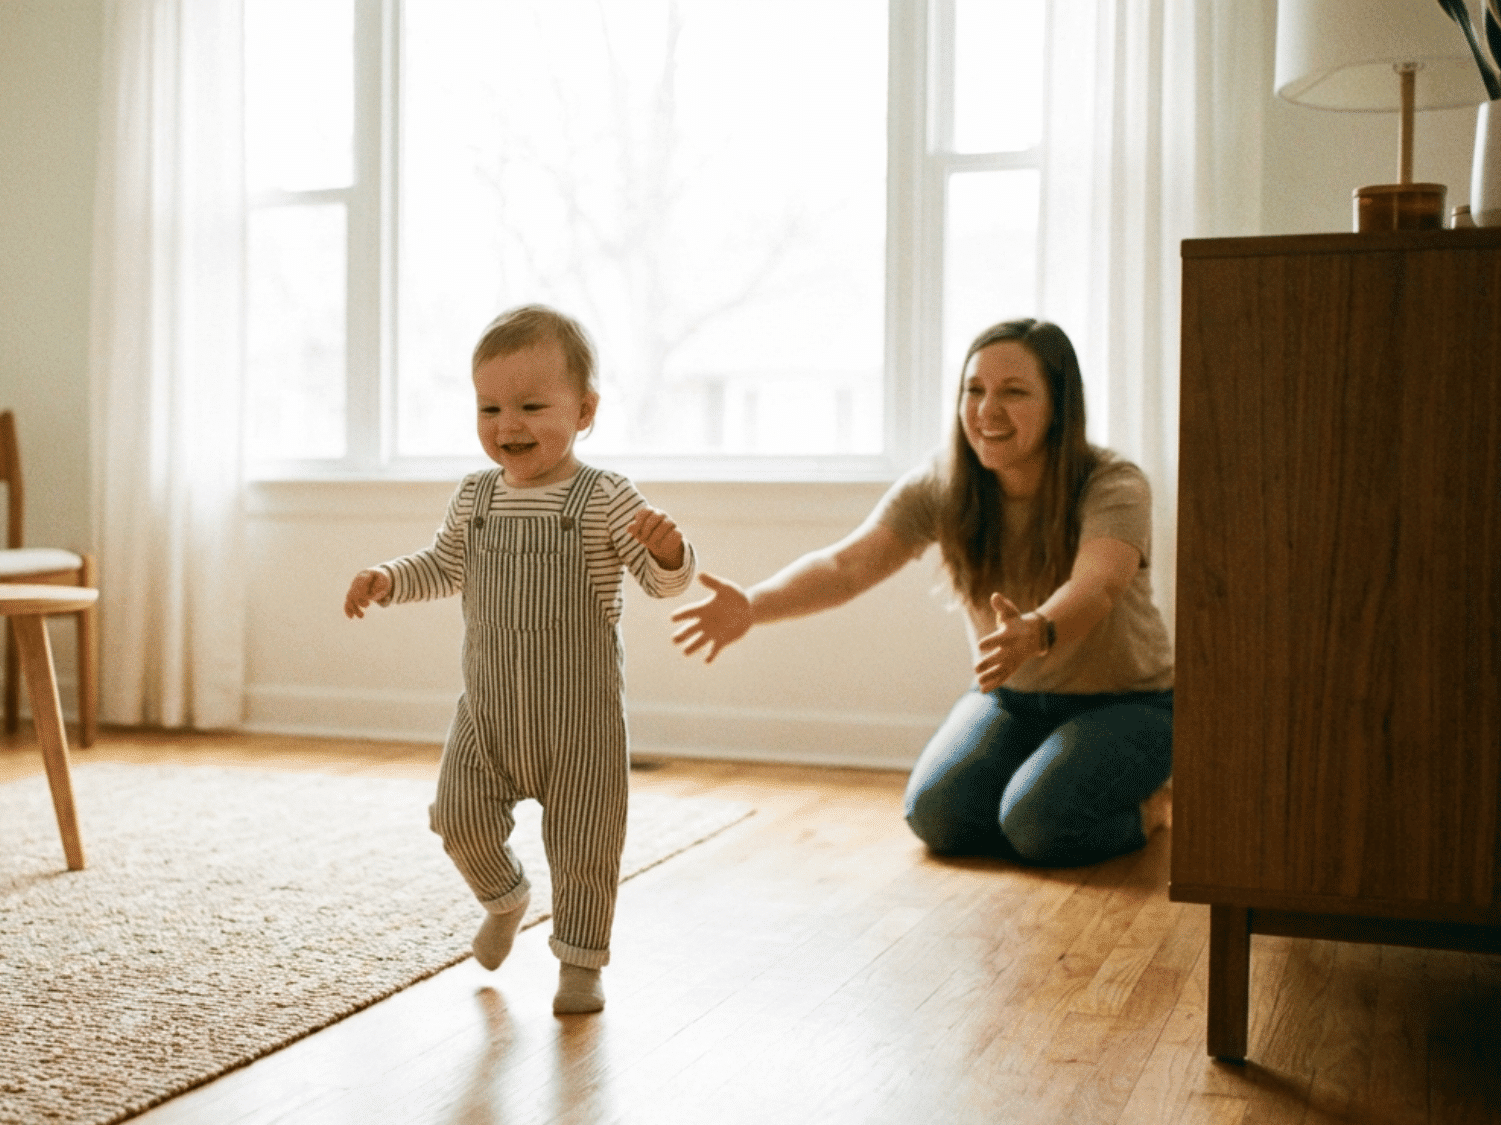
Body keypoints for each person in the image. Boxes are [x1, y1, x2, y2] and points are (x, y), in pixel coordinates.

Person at [670, 318, 1173, 867]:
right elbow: (846, 565)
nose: (987, 410)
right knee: (937, 817)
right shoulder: (945, 483)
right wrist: (752, 606)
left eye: (1015, 392)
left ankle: (1151, 805)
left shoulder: (1112, 482)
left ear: (1060, 405)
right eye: (974, 390)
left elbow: (1098, 586)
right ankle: (1042, 778)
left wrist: (1037, 631)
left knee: (1037, 826)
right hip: (1013, 700)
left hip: (1130, 705)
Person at [345, 304, 695, 1014]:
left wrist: (668, 551)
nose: (509, 424)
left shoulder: (603, 498)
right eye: (490, 407)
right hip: (490, 714)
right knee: (456, 815)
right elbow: (442, 565)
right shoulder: (475, 498)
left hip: (580, 725)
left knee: (585, 852)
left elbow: (662, 582)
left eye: (533, 405)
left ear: (586, 410)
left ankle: (580, 964)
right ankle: (505, 898)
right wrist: (387, 579)